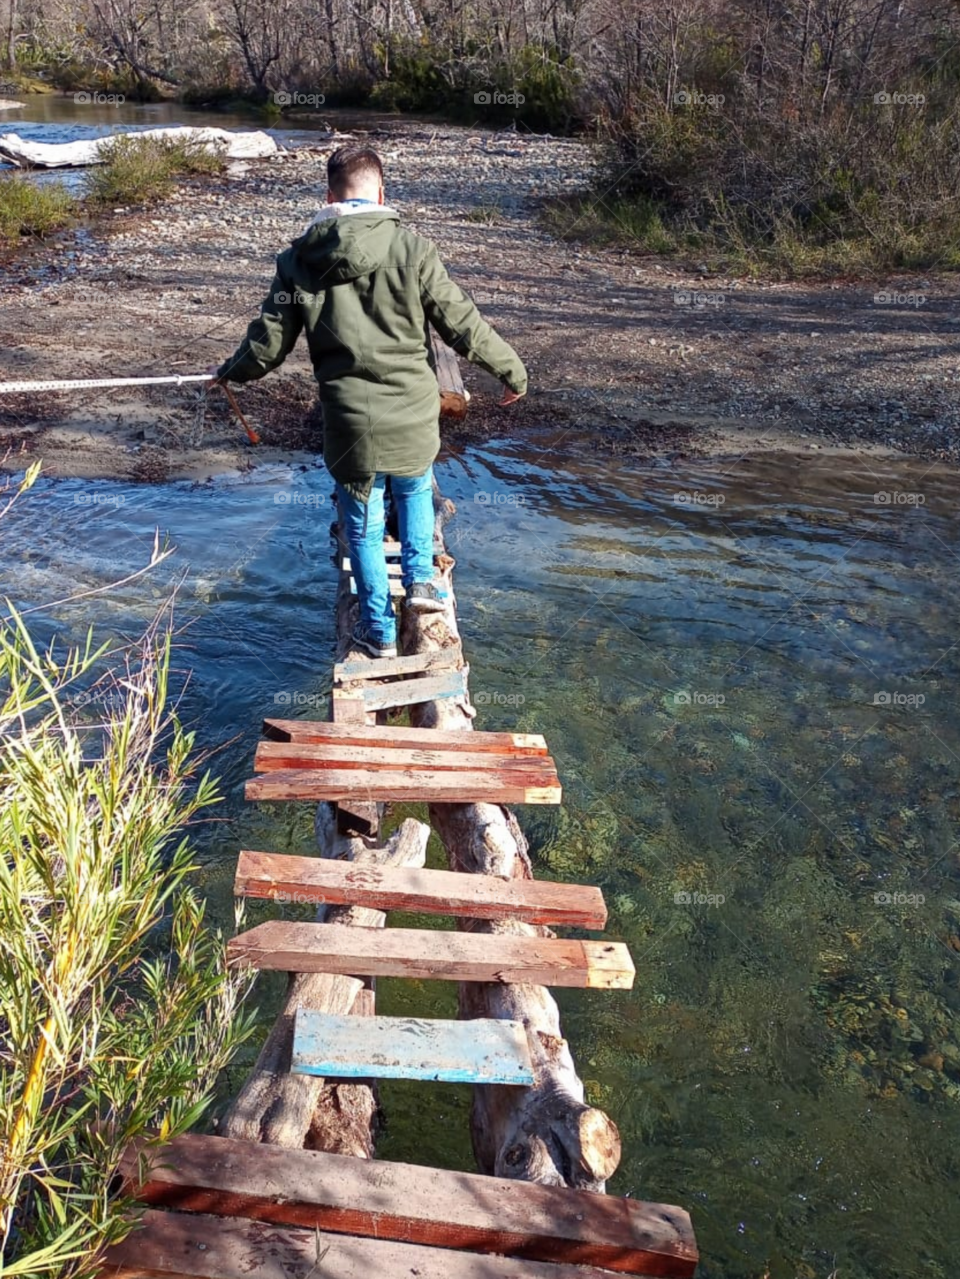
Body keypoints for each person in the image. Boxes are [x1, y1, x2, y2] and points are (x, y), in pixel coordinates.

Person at [211, 145, 527, 658]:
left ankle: (377, 632)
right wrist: (512, 371)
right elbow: (462, 323)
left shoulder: (298, 262)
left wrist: (230, 373)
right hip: (412, 414)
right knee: (416, 486)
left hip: (349, 423)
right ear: (382, 193)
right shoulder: (413, 250)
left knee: (361, 524)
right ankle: (422, 585)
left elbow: (268, 345)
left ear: (329, 195)